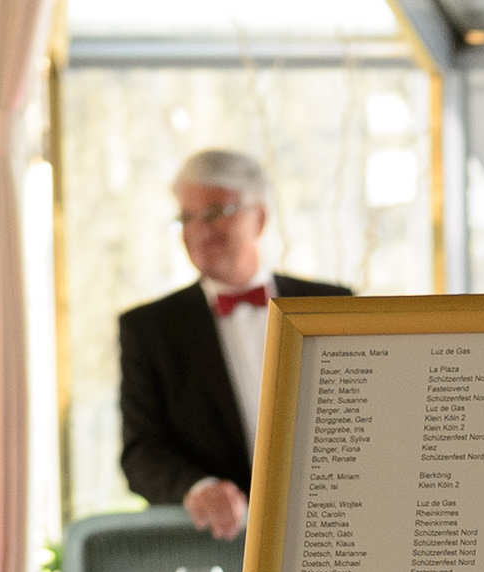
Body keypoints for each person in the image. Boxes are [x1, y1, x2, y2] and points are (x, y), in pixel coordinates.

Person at [115, 150, 350, 537]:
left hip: (334, 532)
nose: (199, 230)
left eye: (215, 213)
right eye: (187, 218)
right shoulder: (149, 329)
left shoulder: (334, 306)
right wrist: (200, 488)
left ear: (260, 217)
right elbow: (141, 454)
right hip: (219, 543)